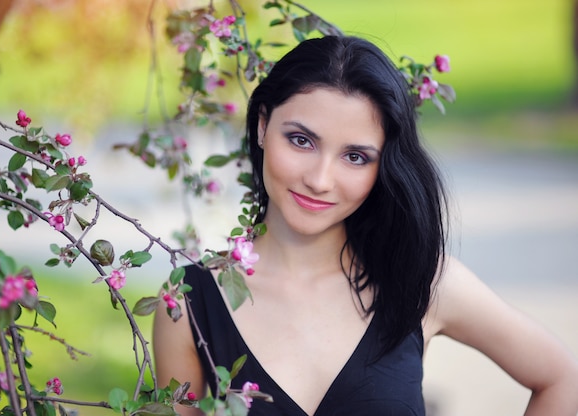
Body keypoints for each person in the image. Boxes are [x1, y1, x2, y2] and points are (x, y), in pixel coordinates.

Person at [153, 35, 578, 416]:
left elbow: (563, 379)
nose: (319, 180)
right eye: (301, 140)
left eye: (355, 157)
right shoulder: (187, 303)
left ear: (383, 166)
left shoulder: (423, 282)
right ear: (263, 126)